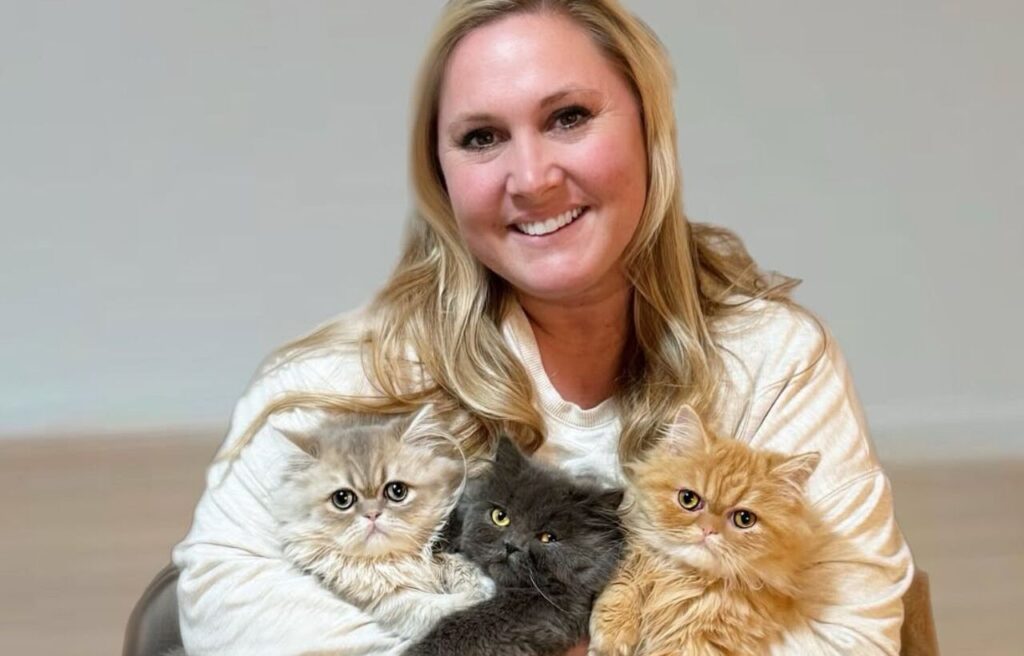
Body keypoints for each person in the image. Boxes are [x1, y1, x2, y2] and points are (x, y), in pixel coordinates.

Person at [173, 1, 914, 654]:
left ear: (652, 128)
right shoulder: (348, 377)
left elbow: (850, 632)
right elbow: (224, 603)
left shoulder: (772, 359)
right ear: (440, 175)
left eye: (569, 118)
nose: (531, 178)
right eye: (481, 137)